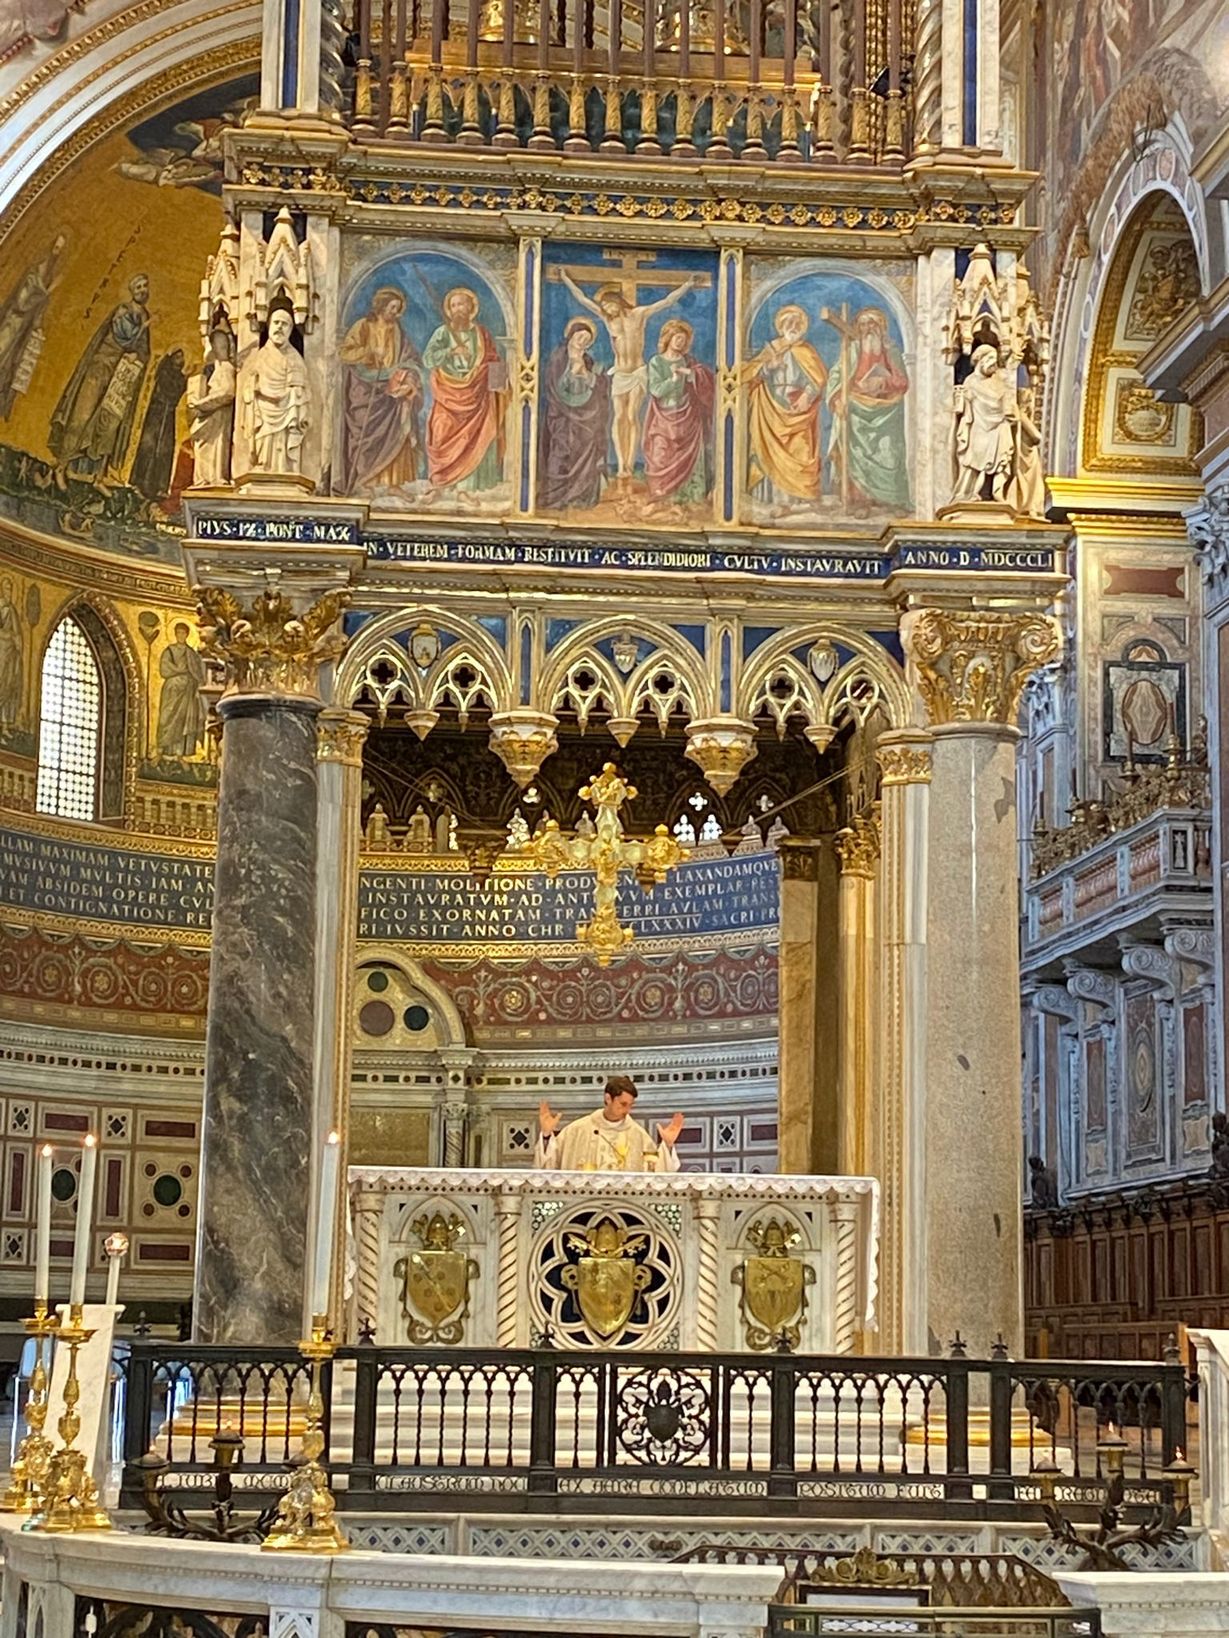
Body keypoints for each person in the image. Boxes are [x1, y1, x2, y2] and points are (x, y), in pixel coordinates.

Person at [558, 271, 701, 482]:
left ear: (617, 301)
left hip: (637, 371)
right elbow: (582, 299)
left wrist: (687, 285)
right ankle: (620, 465)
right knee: (619, 417)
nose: (606, 309)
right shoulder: (608, 320)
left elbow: (666, 301)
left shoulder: (639, 314)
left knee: (632, 416)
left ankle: (629, 465)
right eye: (604, 307)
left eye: (608, 305)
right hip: (620, 372)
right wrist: (566, 279)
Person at [49, 272, 151, 491]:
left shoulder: (145, 316)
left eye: (145, 286)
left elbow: (143, 350)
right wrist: (143, 329)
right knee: (82, 415)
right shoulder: (122, 311)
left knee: (110, 424)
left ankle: (98, 477)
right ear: (132, 291)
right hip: (100, 367)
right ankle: (61, 466)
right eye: (139, 287)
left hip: (120, 376)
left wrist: (138, 356)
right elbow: (124, 337)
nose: (143, 290)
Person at [822, 305, 910, 512]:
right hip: (855, 410)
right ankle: (859, 502)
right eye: (863, 325)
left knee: (889, 453)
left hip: (887, 413)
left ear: (881, 327)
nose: (868, 329)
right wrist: (837, 400)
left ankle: (890, 500)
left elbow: (903, 382)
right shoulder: (851, 350)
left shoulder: (891, 351)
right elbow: (836, 376)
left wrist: (883, 383)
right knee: (856, 455)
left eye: (873, 324)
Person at [744, 304, 828, 514]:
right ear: (781, 327)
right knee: (770, 453)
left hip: (799, 408)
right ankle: (778, 501)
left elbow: (819, 379)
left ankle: (803, 498)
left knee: (802, 451)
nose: (793, 326)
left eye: (797, 323)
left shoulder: (806, 351)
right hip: (771, 408)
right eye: (789, 322)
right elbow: (747, 377)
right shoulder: (771, 349)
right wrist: (768, 367)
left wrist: (807, 395)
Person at [338, 285, 423, 492]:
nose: (395, 313)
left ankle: (393, 483)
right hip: (365, 388)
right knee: (366, 437)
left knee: (397, 430)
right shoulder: (363, 326)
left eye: (398, 309)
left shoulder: (398, 331)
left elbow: (411, 359)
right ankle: (365, 481)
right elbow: (345, 353)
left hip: (390, 390)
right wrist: (368, 352)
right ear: (381, 306)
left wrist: (409, 380)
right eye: (392, 308)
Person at [422, 286, 506, 496]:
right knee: (440, 431)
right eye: (454, 305)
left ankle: (465, 489)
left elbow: (495, 359)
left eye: (462, 304)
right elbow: (428, 359)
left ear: (471, 307)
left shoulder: (482, 334)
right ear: (449, 310)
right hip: (448, 394)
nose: (458, 308)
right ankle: (439, 485)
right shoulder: (442, 333)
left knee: (474, 438)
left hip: (477, 395)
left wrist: (500, 389)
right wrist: (451, 351)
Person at [536, 1075, 684, 1173]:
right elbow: (549, 1166)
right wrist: (547, 1135)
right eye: (623, 1104)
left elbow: (657, 1173)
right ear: (608, 1098)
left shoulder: (638, 1135)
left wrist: (668, 1146)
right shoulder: (577, 1130)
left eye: (631, 1105)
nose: (627, 1110)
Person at [537, 316, 611, 511]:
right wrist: (571, 372)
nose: (582, 342)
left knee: (588, 447)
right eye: (580, 337)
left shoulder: (588, 361)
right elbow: (553, 384)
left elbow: (599, 387)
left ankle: (581, 497)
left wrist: (586, 374)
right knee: (560, 452)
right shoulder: (558, 357)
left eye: (587, 340)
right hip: (561, 415)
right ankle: (555, 496)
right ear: (571, 336)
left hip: (585, 415)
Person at [642, 318, 715, 509]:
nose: (681, 342)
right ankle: (661, 495)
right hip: (663, 417)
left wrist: (690, 374)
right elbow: (656, 390)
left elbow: (705, 381)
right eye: (677, 338)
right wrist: (674, 379)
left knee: (690, 455)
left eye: (684, 339)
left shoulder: (689, 362)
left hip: (688, 416)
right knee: (660, 454)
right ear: (668, 338)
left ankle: (688, 497)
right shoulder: (657, 361)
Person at [0, 230, 67, 420]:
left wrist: (38, 326)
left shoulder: (49, 275)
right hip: (11, 324)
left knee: (12, 364)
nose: (56, 253)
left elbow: (38, 312)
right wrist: (49, 290)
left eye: (60, 250)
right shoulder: (35, 273)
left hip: (23, 331)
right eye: (55, 248)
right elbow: (22, 303)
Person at [242, 302, 310, 474]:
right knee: (264, 439)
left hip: (285, 410)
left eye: (284, 324)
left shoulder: (295, 359)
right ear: (269, 326)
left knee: (282, 441)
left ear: (290, 330)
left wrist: (292, 395)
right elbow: (248, 386)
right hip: (264, 410)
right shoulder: (260, 356)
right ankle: (262, 463)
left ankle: (284, 467)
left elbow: (301, 391)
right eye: (276, 323)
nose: (279, 327)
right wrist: (253, 388)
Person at [951, 343, 1016, 505]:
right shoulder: (970, 382)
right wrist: (961, 401)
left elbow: (1006, 404)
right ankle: (970, 492)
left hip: (999, 426)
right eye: (990, 358)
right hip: (979, 427)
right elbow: (964, 408)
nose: (994, 363)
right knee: (975, 460)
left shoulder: (999, 383)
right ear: (980, 359)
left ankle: (997, 492)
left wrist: (1008, 412)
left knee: (1002, 459)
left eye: (995, 359)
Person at [130, 348, 188, 502]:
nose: (181, 360)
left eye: (182, 357)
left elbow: (177, 394)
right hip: (156, 414)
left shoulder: (180, 377)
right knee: (148, 445)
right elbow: (167, 391)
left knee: (164, 449)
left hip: (168, 417)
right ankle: (140, 482)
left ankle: (160, 487)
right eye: (178, 356)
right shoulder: (164, 373)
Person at [188, 323, 237, 487]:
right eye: (218, 347)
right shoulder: (216, 368)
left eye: (224, 346)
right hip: (209, 415)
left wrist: (201, 404)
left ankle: (215, 478)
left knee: (217, 447)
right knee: (201, 446)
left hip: (218, 415)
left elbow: (227, 393)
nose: (222, 350)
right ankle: (203, 479)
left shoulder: (227, 367)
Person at [155, 622, 206, 760]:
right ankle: (160, 751)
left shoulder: (192, 654)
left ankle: (180, 754)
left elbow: (198, 673)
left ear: (187, 635)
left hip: (187, 690)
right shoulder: (169, 651)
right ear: (175, 634)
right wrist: (180, 670)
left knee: (184, 721)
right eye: (178, 633)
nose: (181, 635)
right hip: (172, 690)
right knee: (166, 718)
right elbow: (164, 669)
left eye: (183, 633)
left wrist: (197, 684)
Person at [0, 575, 22, 732]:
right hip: (1, 653)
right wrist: (8, 636)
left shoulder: (12, 610)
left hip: (11, 655)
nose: (9, 591)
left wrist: (17, 640)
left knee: (9, 687)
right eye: (7, 588)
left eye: (11, 589)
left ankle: (5, 726)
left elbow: (17, 632)